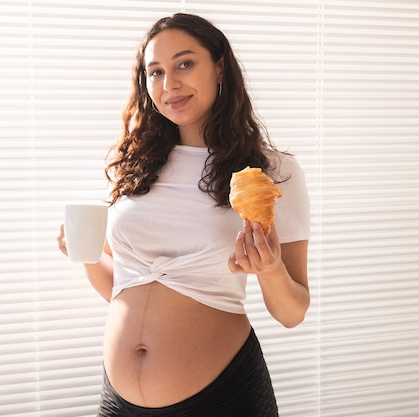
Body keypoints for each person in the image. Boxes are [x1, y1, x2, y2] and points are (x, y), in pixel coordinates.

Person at [57, 12, 310, 417]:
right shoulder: (134, 166)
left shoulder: (271, 172)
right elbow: (126, 290)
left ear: (220, 66)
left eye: (185, 64)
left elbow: (293, 312)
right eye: (154, 72)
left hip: (223, 397)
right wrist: (87, 256)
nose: (169, 83)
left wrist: (271, 269)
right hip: (120, 401)